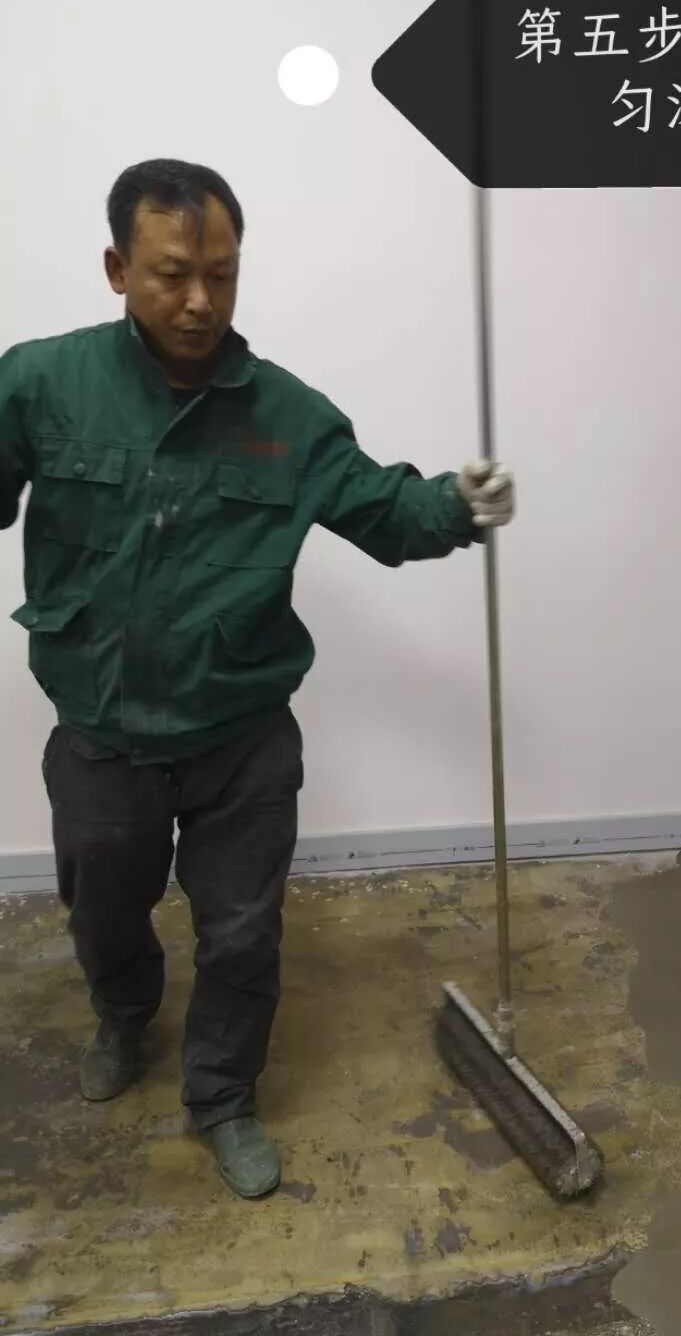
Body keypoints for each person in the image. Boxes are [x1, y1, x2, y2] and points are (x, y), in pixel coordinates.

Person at [0, 158, 515, 1199]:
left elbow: (384, 511)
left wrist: (458, 506)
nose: (200, 300)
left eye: (222, 275)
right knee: (103, 911)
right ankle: (123, 1018)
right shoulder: (42, 384)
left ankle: (223, 1095)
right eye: (172, 274)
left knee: (241, 931)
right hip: (101, 731)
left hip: (240, 733)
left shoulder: (286, 415)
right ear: (118, 269)